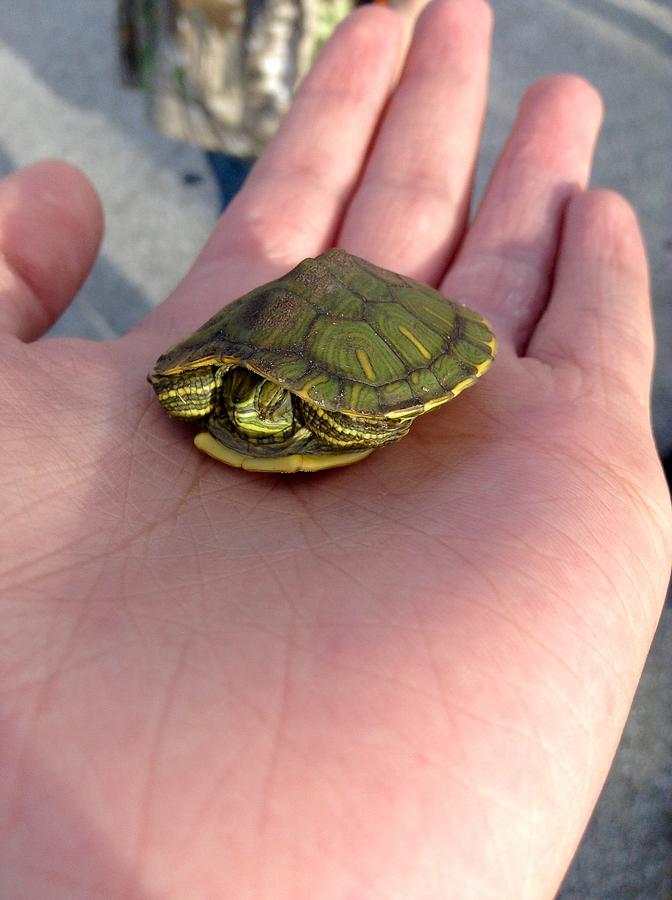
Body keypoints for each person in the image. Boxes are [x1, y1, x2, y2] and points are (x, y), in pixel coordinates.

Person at [1, 1, 670, 896]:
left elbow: (371, 408)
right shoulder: (220, 394)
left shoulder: (334, 416)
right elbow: (184, 384)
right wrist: (203, 376)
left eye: (255, 398)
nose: (244, 406)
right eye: (239, 393)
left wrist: (366, 400)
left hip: (372, 331)